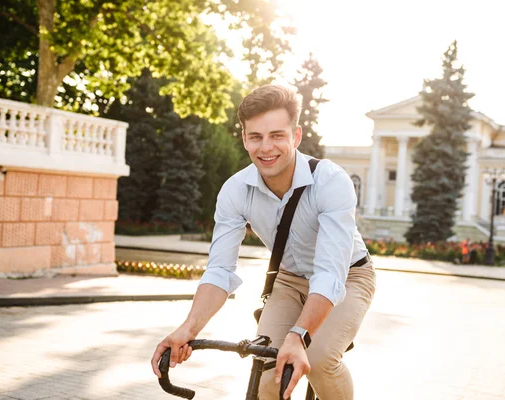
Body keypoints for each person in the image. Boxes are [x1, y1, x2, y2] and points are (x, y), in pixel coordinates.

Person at [151, 84, 376, 400]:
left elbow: (330, 274)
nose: (266, 147)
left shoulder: (330, 181)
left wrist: (298, 336)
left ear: (296, 137)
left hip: (349, 278)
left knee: (320, 359)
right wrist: (187, 329)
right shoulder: (235, 190)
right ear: (244, 138)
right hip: (288, 280)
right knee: (267, 371)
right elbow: (219, 272)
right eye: (255, 136)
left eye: (277, 135)